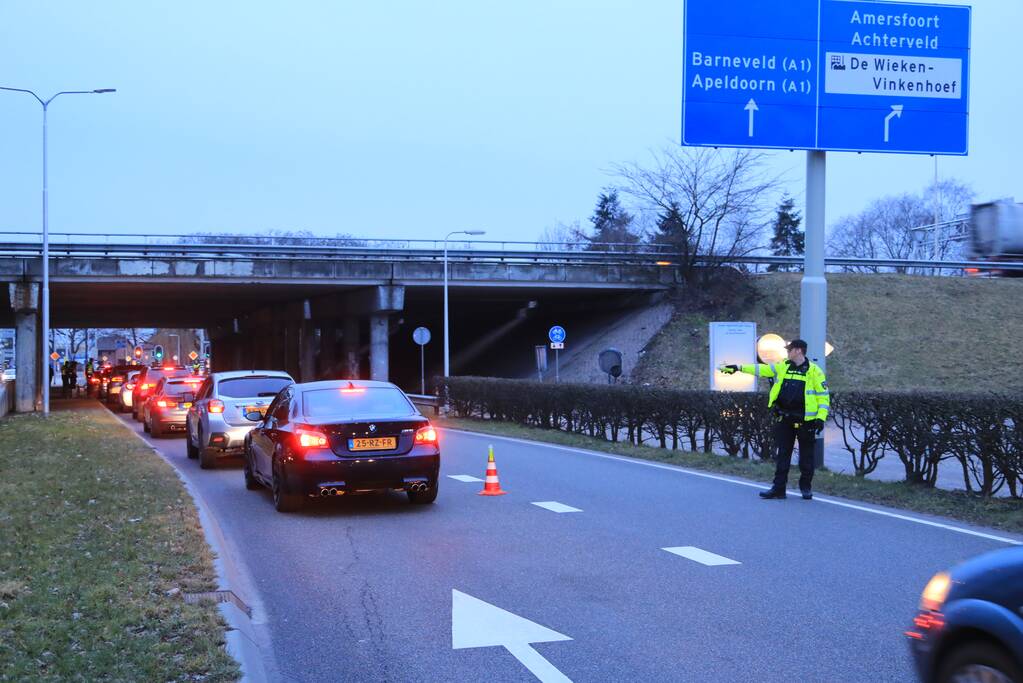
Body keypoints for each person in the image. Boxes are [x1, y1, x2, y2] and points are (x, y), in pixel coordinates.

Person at [719, 339, 829, 500]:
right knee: (783, 455)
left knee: (806, 457)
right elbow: (761, 369)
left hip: (806, 421)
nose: (787, 352)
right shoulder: (783, 366)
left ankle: (806, 488)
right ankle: (778, 489)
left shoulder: (814, 371)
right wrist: (738, 367)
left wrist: (820, 418)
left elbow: (823, 397)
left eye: (790, 349)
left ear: (798, 351)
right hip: (785, 418)